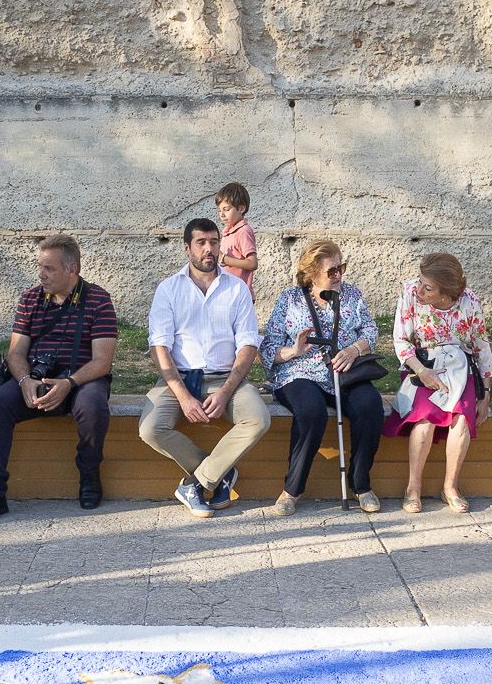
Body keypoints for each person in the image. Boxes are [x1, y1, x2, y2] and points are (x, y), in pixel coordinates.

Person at [0, 234, 119, 525]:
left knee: (93, 405)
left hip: (81, 379)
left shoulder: (98, 300)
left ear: (72, 269)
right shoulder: (31, 299)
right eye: (40, 266)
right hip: (36, 377)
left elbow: (102, 361)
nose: (41, 274)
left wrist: (69, 383)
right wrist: (24, 381)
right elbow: (16, 352)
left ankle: (89, 476)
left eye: (49, 268)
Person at [141, 216, 273, 516]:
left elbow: (248, 345)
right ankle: (221, 473)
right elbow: (159, 347)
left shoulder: (236, 289)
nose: (209, 249)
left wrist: (226, 392)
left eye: (214, 242)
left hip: (226, 378)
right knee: (150, 429)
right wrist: (184, 397)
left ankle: (196, 483)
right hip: (180, 378)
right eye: (201, 242)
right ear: (187, 248)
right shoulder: (169, 289)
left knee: (258, 419)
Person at [259, 240, 385, 514]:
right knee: (311, 411)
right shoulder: (290, 300)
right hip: (300, 372)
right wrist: (293, 351)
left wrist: (354, 349)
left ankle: (361, 484)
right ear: (312, 273)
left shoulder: (352, 295)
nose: (339, 274)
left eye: (341, 267)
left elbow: (371, 331)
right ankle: (292, 489)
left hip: (344, 371)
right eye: (332, 271)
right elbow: (268, 348)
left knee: (370, 405)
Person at [390, 250, 492, 514]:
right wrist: (421, 372)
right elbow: (401, 341)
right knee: (425, 418)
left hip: (460, 367)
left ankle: (450, 486)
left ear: (446, 292)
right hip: (423, 363)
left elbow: (481, 345)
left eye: (428, 287)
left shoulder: (468, 301)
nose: (419, 289)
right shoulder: (409, 293)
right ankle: (413, 488)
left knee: (462, 417)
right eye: (420, 281)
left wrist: (486, 394)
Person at [216, 182, 258, 284]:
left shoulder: (243, 231)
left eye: (226, 209)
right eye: (219, 210)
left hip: (240, 294)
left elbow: (252, 263)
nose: (222, 215)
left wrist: (223, 259)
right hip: (228, 291)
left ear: (241, 209)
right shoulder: (228, 232)